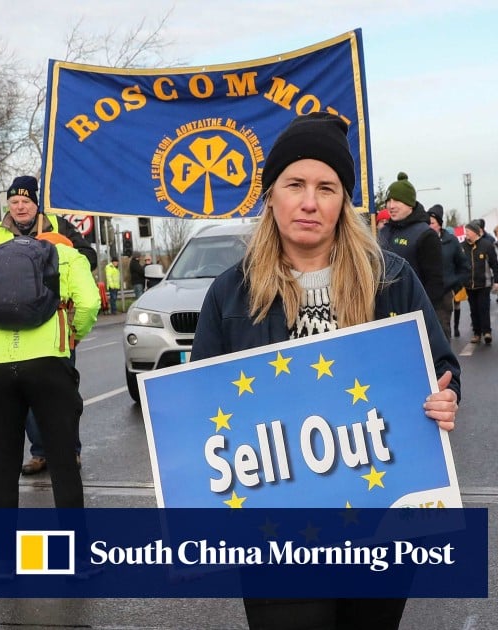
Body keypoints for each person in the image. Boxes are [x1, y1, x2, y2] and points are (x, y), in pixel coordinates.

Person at [191, 112, 460, 630]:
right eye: (295, 184)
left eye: (326, 188)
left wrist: (447, 399)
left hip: (379, 520)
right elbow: (200, 405)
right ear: (271, 196)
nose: (310, 202)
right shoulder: (231, 293)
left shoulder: (391, 279)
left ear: (344, 203)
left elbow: (442, 368)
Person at [0, 228, 100, 510]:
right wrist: (73, 334)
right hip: (48, 362)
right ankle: (72, 547)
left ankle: (3, 550)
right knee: (63, 461)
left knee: (1, 466)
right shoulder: (70, 256)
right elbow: (89, 302)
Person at [0, 175, 98, 272]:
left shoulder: (59, 225)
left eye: (26, 201)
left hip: (56, 298)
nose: (20, 207)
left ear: (36, 205)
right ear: (9, 206)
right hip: (10, 299)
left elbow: (90, 258)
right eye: (14, 202)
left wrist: (56, 263)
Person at [377, 174, 443, 310]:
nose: (391, 206)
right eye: (388, 201)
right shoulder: (383, 232)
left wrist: (422, 311)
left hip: (413, 309)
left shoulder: (425, 234)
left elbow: (435, 283)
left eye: (396, 201)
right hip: (386, 309)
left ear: (410, 204)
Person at [428, 205, 469, 340]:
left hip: (444, 294)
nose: (429, 226)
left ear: (439, 224)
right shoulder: (422, 240)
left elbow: (464, 267)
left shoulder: (451, 241)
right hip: (425, 292)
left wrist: (454, 287)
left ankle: (445, 360)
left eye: (432, 223)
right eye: (427, 222)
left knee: (443, 330)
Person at [462, 222, 497, 344]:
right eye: (465, 231)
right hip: (469, 284)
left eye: (468, 231)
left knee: (484, 308)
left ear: (475, 232)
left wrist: (497, 280)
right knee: (474, 309)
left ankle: (487, 332)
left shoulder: (486, 245)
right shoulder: (462, 246)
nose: (466, 233)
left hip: (484, 283)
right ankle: (476, 333)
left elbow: (494, 264)